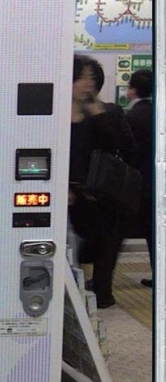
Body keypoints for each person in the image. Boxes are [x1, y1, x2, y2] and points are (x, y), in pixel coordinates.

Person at [68, 55, 138, 308]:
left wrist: (99, 115)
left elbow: (123, 149)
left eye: (92, 78)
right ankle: (72, 296)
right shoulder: (53, 112)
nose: (87, 83)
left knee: (104, 245)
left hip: (102, 194)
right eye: (80, 77)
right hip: (69, 194)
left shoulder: (108, 112)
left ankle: (101, 294)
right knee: (71, 248)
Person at [125, 68, 153, 287]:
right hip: (156, 183)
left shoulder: (131, 117)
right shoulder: (156, 113)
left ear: (132, 90)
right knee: (155, 233)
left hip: (139, 185)